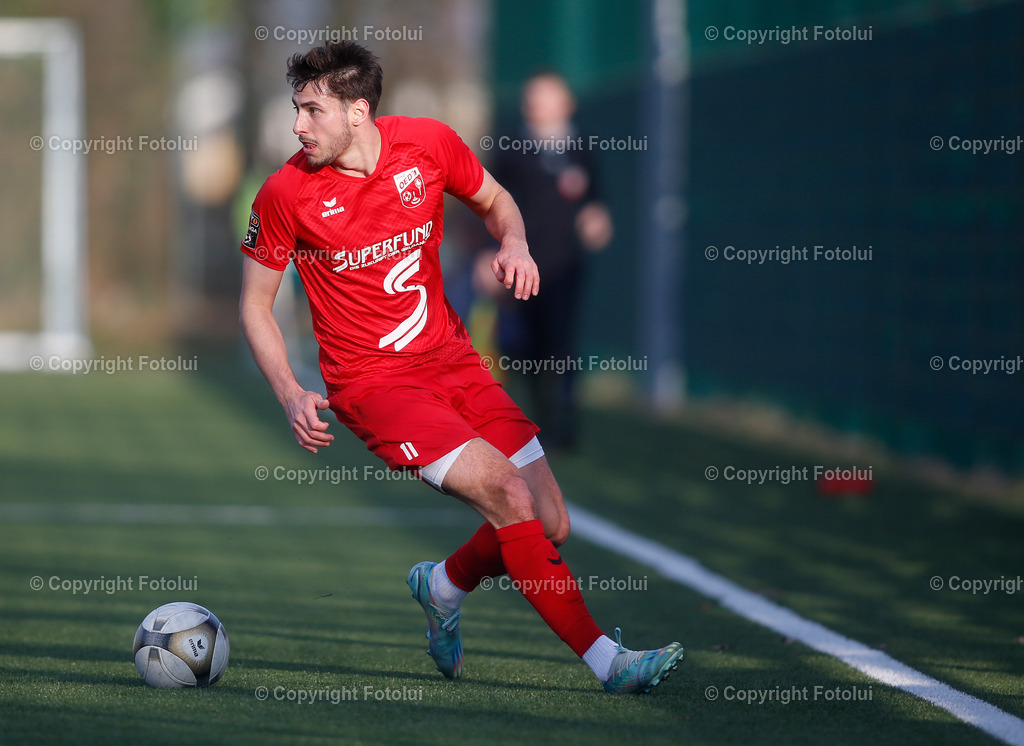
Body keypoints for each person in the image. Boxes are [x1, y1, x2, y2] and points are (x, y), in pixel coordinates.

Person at [238, 41, 682, 694]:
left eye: (313, 110)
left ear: (359, 111)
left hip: (454, 363)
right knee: (509, 494)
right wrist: (289, 392)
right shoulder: (286, 192)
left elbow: (497, 199)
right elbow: (254, 304)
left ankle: (443, 586)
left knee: (550, 521)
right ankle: (608, 663)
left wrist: (516, 244)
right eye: (296, 109)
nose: (298, 125)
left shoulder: (428, 144)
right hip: (374, 386)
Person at [489, 71, 613, 451]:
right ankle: (537, 418)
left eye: (545, 96)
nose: (536, 103)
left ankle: (564, 423)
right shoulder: (511, 147)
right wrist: (489, 252)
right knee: (526, 344)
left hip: (565, 266)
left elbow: (594, 199)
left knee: (561, 342)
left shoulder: (581, 148)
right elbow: (488, 201)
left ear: (566, 104)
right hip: (522, 265)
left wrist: (596, 217)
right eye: (532, 96)